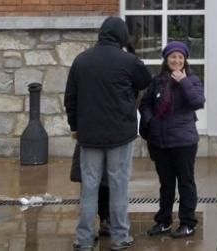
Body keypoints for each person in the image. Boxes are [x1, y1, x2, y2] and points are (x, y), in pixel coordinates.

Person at [65, 16, 152, 251]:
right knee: (118, 186)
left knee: (89, 187)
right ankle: (120, 237)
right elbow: (145, 80)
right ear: (122, 36)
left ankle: (83, 238)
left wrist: (75, 127)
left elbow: (70, 98)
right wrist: (131, 51)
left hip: (89, 135)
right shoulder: (127, 61)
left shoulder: (81, 60)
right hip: (120, 134)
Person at [140, 41, 204, 239]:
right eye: (172, 57)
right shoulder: (157, 80)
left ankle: (187, 223)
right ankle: (164, 221)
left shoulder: (191, 79)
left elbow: (197, 102)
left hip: (183, 141)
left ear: (185, 60)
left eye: (180, 57)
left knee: (185, 182)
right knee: (166, 184)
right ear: (166, 59)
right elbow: (145, 103)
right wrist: (149, 119)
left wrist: (183, 81)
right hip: (160, 140)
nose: (176, 61)